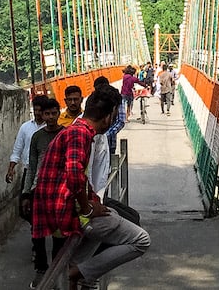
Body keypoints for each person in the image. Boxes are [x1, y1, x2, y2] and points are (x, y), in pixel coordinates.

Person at [32, 86, 150, 290]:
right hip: (69, 214)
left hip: (57, 210)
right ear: (110, 115)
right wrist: (87, 208)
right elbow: (74, 176)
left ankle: (80, 274)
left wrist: (93, 203)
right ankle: (79, 273)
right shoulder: (81, 134)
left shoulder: (75, 130)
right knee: (141, 240)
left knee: (106, 215)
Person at [22, 98, 66, 288]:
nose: (50, 117)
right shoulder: (37, 137)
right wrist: (25, 193)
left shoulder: (65, 135)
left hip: (59, 190)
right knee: (37, 232)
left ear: (58, 113)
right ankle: (41, 268)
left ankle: (55, 269)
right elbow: (31, 166)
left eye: (53, 113)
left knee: (58, 232)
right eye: (46, 113)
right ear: (42, 114)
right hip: (38, 189)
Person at [8, 94, 51, 185]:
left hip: (47, 172)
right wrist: (11, 169)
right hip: (28, 171)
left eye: (40, 110)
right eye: (35, 110)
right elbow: (17, 149)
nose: (37, 113)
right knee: (25, 197)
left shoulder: (51, 128)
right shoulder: (25, 127)